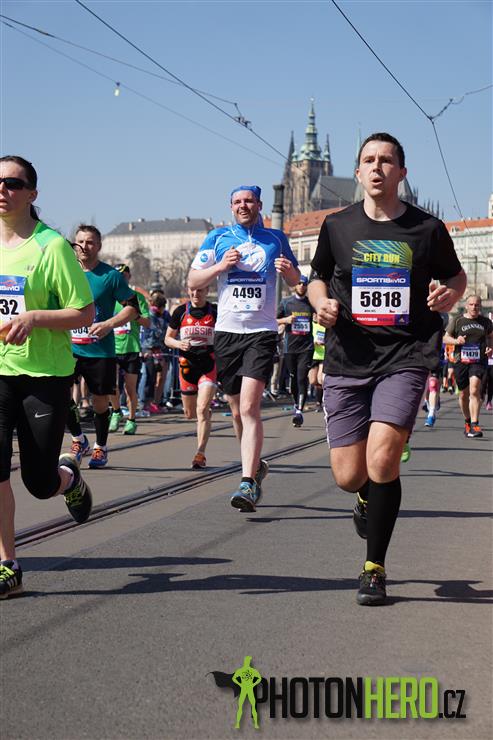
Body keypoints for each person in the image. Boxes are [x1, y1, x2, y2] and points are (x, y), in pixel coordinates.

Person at [308, 132, 466, 606]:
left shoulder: (427, 228)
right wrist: (320, 303)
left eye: (386, 160)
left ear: (401, 172)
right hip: (348, 357)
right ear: (357, 172)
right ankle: (365, 497)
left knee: (383, 459)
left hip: (406, 354)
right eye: (369, 160)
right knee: (348, 475)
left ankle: (374, 568)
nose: (377, 167)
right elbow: (317, 278)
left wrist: (451, 294)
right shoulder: (336, 226)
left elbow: (456, 275)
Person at [0, 155, 95, 599]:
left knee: (38, 483)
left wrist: (34, 317)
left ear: (32, 194)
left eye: (12, 183)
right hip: (0, 372)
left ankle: (68, 479)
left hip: (44, 375)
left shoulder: (51, 246)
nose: (2, 189)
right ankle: (9, 565)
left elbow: (84, 312)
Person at [188, 185, 300, 511]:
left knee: (250, 408)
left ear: (259, 204)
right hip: (227, 333)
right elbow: (194, 281)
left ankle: (247, 482)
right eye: (237, 201)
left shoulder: (275, 238)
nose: (243, 206)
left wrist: (289, 272)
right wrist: (220, 267)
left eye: (248, 201)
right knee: (236, 410)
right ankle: (255, 465)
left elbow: (296, 280)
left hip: (261, 333)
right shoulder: (217, 238)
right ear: (231, 207)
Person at [67, 225, 139, 468]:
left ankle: (100, 447)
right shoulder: (66, 271)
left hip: (100, 351)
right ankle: (78, 439)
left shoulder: (110, 276)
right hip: (68, 348)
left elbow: (133, 308)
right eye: (80, 241)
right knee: (60, 396)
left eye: (90, 242)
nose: (84, 246)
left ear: (98, 246)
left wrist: (109, 324)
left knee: (99, 402)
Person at [165, 285, 217, 468]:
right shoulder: (180, 311)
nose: (196, 294)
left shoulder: (215, 311)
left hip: (208, 365)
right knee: (190, 413)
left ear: (207, 291)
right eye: (192, 290)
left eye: (200, 290)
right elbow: (167, 339)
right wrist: (179, 344)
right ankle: (204, 414)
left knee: (202, 409)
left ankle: (200, 454)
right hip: (187, 366)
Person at [108, 263, 150, 435]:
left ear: (129, 277)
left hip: (131, 348)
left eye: (124, 276)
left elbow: (147, 323)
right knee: (111, 385)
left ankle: (131, 420)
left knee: (130, 388)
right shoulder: (110, 297)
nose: (122, 279)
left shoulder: (137, 298)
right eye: (119, 276)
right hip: (112, 348)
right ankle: (116, 411)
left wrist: (133, 314)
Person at [443, 295, 493, 438]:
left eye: (476, 305)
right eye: (471, 304)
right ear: (466, 306)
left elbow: (491, 336)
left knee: (475, 389)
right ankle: (467, 421)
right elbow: (445, 337)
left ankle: (475, 424)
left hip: (478, 361)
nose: (474, 307)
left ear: (480, 306)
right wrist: (456, 341)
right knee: (463, 394)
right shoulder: (457, 320)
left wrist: (490, 347)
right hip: (461, 361)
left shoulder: (486, 322)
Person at [277, 275, 314, 426]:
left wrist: (318, 318)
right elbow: (273, 320)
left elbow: (321, 316)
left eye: (304, 284)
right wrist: (285, 320)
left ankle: (299, 411)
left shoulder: (311, 303)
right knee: (293, 378)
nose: (301, 286)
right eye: (299, 283)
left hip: (306, 347)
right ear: (294, 285)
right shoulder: (286, 303)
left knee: (301, 378)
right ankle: (295, 403)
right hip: (290, 347)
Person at [139, 293, 170, 413]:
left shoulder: (160, 316)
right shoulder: (151, 316)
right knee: (149, 377)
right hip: (150, 350)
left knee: (156, 377)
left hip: (158, 350)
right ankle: (145, 403)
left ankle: (153, 403)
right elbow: (153, 334)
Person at [309, 315, 325, 412]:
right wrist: (313, 342)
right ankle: (319, 399)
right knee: (312, 381)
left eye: (316, 314)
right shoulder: (310, 325)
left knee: (320, 379)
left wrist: (324, 342)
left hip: (323, 355)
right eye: (313, 314)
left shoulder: (325, 326)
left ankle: (319, 402)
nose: (315, 316)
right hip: (313, 355)